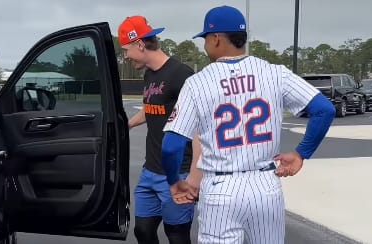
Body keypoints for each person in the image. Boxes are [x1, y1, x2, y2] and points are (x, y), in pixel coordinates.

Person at [161, 5, 335, 244]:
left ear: (217, 38)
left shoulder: (197, 83)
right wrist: (300, 153)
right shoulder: (274, 73)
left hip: (220, 187)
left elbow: (171, 146)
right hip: (265, 184)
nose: (205, 44)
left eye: (206, 38)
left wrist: (174, 181)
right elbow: (325, 110)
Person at [118, 16, 202, 244]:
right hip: (150, 170)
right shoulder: (149, 74)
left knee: (176, 235)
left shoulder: (181, 75)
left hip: (178, 171)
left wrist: (194, 176)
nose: (125, 55)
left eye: (126, 49)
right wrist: (124, 125)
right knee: (143, 231)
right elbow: (152, 108)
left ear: (140, 45)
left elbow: (198, 128)